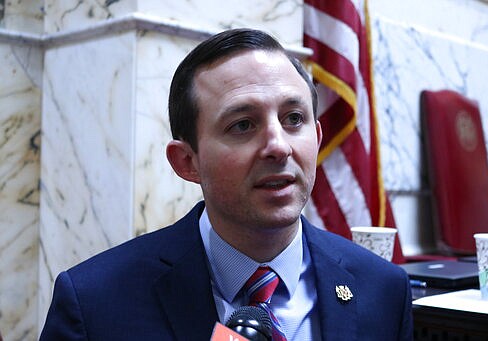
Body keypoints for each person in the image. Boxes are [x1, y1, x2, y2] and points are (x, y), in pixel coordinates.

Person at [40, 28, 412, 340]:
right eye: (243, 125)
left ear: (316, 138)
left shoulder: (382, 290)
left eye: (293, 118)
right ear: (188, 162)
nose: (278, 146)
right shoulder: (95, 304)